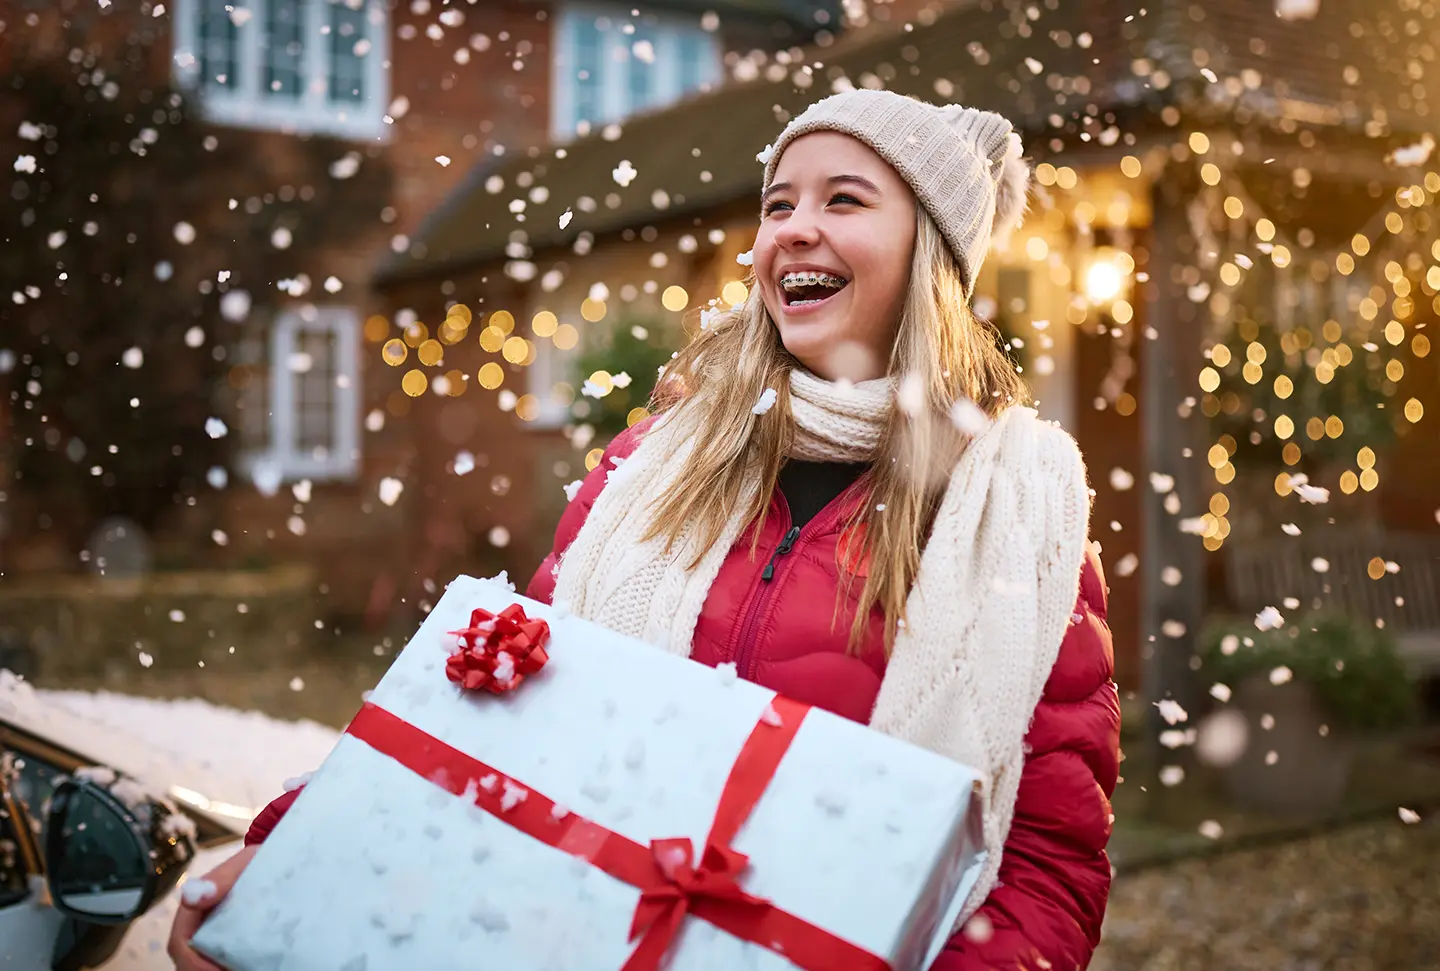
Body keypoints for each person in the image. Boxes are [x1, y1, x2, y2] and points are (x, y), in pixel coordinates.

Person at [170, 89, 1120, 971]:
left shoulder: (1019, 516)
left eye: (845, 199)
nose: (796, 229)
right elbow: (501, 709)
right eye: (778, 204)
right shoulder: (659, 463)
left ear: (931, 255)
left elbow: (1046, 863)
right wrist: (292, 848)